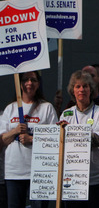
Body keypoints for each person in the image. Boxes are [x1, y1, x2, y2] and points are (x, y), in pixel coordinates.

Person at [0, 71, 58, 208]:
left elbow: (55, 139)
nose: (29, 83)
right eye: (25, 79)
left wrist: (31, 139)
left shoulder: (46, 108)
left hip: (39, 171)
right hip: (14, 171)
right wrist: (15, 131)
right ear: (20, 84)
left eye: (33, 80)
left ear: (38, 84)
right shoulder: (10, 109)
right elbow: (1, 141)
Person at [59, 70, 99, 208]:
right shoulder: (66, 114)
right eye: (78, 86)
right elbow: (61, 144)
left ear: (91, 89)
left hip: (98, 179)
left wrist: (71, 131)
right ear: (73, 90)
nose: (82, 89)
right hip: (73, 179)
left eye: (85, 86)